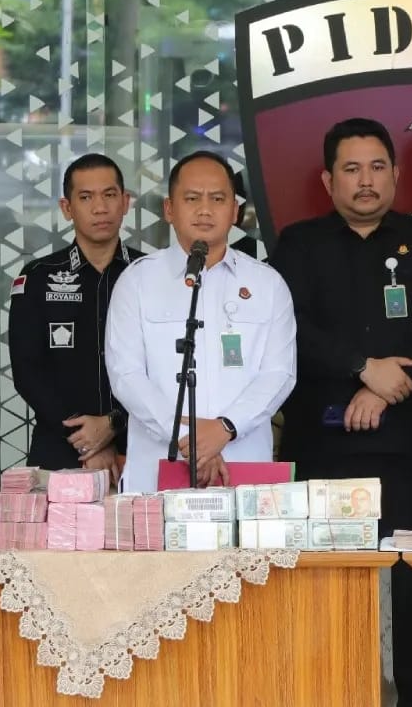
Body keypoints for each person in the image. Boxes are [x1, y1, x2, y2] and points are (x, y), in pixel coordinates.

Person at [269, 117, 412, 707]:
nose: (365, 181)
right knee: (328, 598)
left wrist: (384, 388)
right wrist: (362, 367)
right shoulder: (298, 246)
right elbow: (289, 328)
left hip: (410, 452)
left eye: (377, 167)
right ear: (328, 179)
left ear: (396, 174)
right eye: (351, 169)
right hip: (324, 451)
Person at [106, 151, 296, 492]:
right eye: (192, 198)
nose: (205, 210)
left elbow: (279, 374)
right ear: (169, 209)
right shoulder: (137, 281)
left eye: (218, 199)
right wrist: (188, 439)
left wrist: (225, 428)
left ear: (235, 211)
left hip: (243, 470)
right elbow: (126, 374)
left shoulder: (267, 284)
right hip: (159, 472)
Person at [9, 153, 142, 480]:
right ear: (66, 208)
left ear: (125, 202)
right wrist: (87, 439)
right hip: (59, 447)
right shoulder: (38, 277)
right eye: (85, 197)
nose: (100, 208)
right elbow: (28, 372)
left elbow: (167, 369)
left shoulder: (148, 274)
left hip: (139, 447)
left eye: (109, 195)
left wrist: (112, 425)